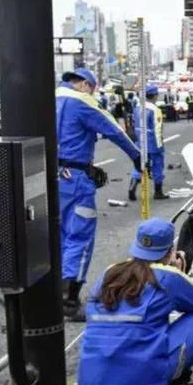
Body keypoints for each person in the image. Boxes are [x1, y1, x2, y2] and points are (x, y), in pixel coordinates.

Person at [79, 218, 193, 385]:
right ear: (170, 251)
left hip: (93, 377)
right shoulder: (167, 277)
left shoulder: (110, 272)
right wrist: (179, 273)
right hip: (144, 382)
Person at [56, 68, 141, 321]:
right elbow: (115, 130)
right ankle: (69, 301)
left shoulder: (49, 99)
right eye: (92, 88)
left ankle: (55, 296)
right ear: (84, 84)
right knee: (80, 236)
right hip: (76, 180)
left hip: (53, 175)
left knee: (59, 236)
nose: (92, 93)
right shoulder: (83, 102)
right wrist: (137, 157)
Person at [129, 84, 169, 201]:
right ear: (155, 96)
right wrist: (160, 146)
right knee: (157, 166)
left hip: (139, 143)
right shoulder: (155, 110)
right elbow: (157, 130)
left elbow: (133, 125)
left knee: (140, 166)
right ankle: (158, 192)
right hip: (152, 143)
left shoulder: (137, 107)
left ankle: (132, 186)